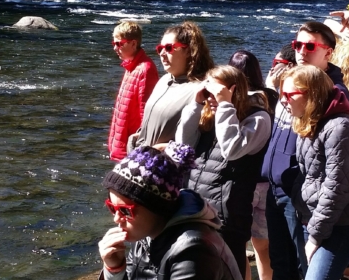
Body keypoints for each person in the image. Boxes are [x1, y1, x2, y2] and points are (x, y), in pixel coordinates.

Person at [175, 65, 272, 279]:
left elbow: (232, 149)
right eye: (207, 91)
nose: (211, 97)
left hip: (229, 213)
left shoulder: (258, 119)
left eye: (215, 92)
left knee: (230, 269)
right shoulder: (210, 113)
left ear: (234, 90)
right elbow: (185, 146)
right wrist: (196, 104)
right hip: (198, 205)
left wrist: (225, 105)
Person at [98, 141, 242, 280]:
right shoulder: (146, 232)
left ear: (155, 206)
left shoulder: (192, 251)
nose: (116, 218)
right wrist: (115, 269)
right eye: (112, 207)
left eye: (125, 211)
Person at [282, 65, 349, 280]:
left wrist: (315, 236)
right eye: (281, 94)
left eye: (289, 94)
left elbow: (336, 187)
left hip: (339, 225)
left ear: (312, 95)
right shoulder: (310, 121)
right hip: (314, 220)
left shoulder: (340, 128)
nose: (283, 100)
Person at [228, 50, 278, 280]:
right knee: (263, 245)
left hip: (242, 180)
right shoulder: (272, 97)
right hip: (266, 179)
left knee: (238, 245)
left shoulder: (235, 103)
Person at [129, 21, 214, 151]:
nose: (162, 53)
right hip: (139, 161)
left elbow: (203, 141)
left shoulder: (201, 89)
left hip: (166, 167)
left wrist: (168, 149)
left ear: (189, 50)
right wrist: (137, 137)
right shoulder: (164, 80)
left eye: (169, 48)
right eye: (160, 48)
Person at [261, 44, 306, 280]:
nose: (274, 69)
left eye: (279, 65)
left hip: (294, 191)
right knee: (279, 258)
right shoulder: (280, 97)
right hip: (273, 187)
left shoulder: (302, 97)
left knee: (301, 260)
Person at [108, 21, 159, 161]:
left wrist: (140, 147)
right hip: (122, 144)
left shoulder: (145, 69)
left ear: (133, 44)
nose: (115, 48)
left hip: (133, 148)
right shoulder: (131, 66)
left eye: (119, 44)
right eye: (114, 44)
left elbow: (146, 113)